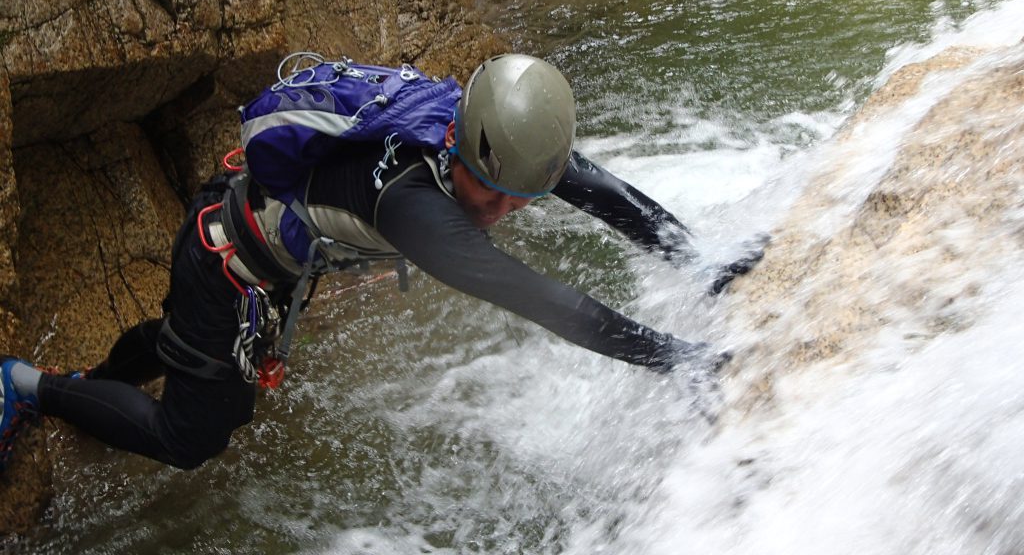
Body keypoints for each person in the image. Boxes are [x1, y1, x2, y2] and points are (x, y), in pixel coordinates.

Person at [0, 54, 761, 471]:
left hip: (239, 234)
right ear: (462, 149)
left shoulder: (490, 125)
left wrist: (703, 263)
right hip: (227, 262)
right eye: (488, 195)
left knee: (182, 339)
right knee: (191, 440)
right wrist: (678, 359)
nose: (496, 212)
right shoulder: (417, 210)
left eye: (516, 201)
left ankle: (110, 378)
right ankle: (26, 385)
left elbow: (605, 193)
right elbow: (547, 302)